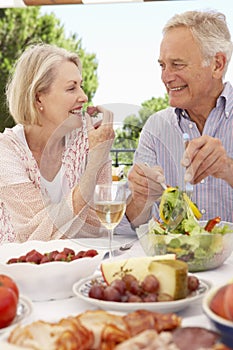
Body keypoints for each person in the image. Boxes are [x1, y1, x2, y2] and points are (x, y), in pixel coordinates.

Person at [125, 10, 233, 229]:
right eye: (162, 65)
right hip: (176, 260)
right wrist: (140, 198)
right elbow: (134, 224)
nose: (165, 77)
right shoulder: (156, 127)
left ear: (217, 64)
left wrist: (227, 170)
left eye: (177, 64)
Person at [0, 43, 115, 243]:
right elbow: (35, 234)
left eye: (81, 86)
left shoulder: (89, 141)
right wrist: (95, 162)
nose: (84, 96)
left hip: (76, 264)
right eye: (71, 88)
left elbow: (98, 224)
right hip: (18, 268)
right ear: (38, 98)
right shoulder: (6, 151)